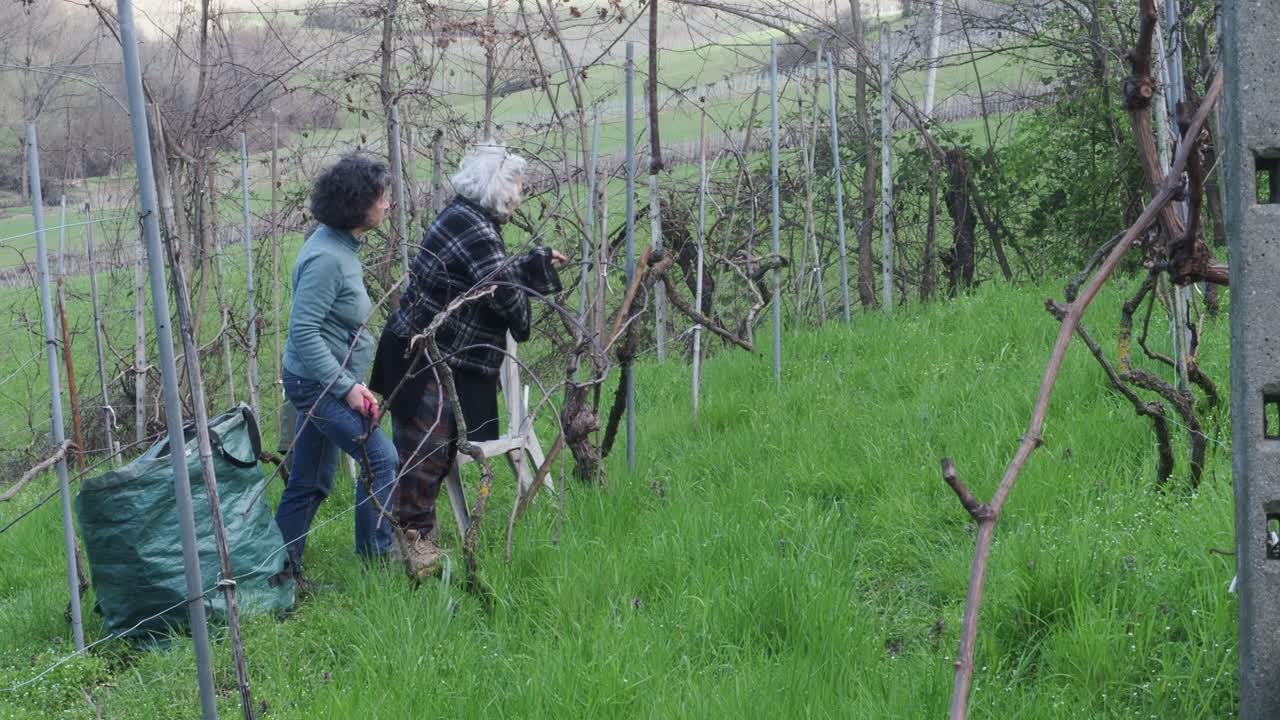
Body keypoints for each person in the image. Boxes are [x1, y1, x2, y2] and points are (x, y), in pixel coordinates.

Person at [370, 142, 566, 580]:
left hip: (425, 350)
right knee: (426, 452)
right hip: (423, 356)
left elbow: (486, 275)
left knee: (430, 452)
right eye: (516, 185)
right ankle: (414, 545)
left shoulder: (466, 216)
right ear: (498, 188)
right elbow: (503, 293)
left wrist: (533, 263)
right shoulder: (474, 227)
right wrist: (526, 300)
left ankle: (413, 545)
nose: (521, 194)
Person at [278, 152, 399, 586]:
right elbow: (305, 332)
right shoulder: (327, 257)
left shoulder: (340, 245)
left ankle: (280, 573)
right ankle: (377, 567)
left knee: (310, 481)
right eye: (382, 197)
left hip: (324, 380)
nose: (388, 205)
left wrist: (350, 382)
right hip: (316, 385)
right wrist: (347, 387)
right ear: (357, 203)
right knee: (382, 459)